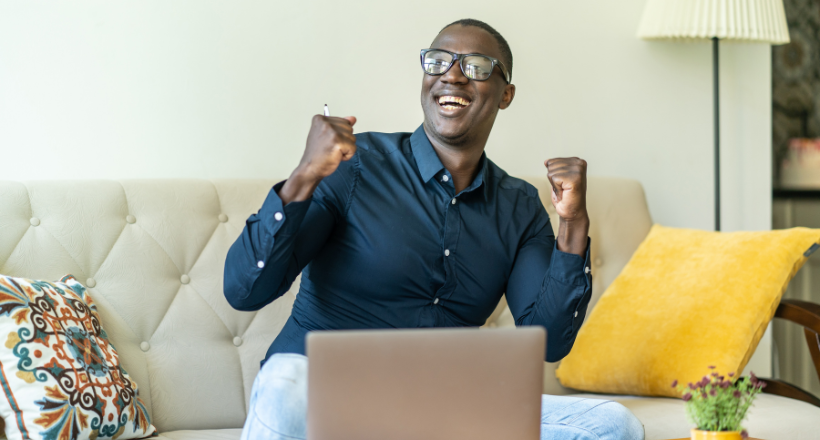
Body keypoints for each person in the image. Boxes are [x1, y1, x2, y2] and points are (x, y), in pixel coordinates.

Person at [224, 18, 644, 440]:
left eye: (477, 66)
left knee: (611, 425)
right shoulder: (353, 165)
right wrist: (304, 175)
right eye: (438, 62)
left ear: (506, 95)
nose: (453, 75)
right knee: (282, 383)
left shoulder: (518, 207)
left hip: (441, 409)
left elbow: (549, 342)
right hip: (323, 399)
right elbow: (245, 291)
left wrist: (572, 223)